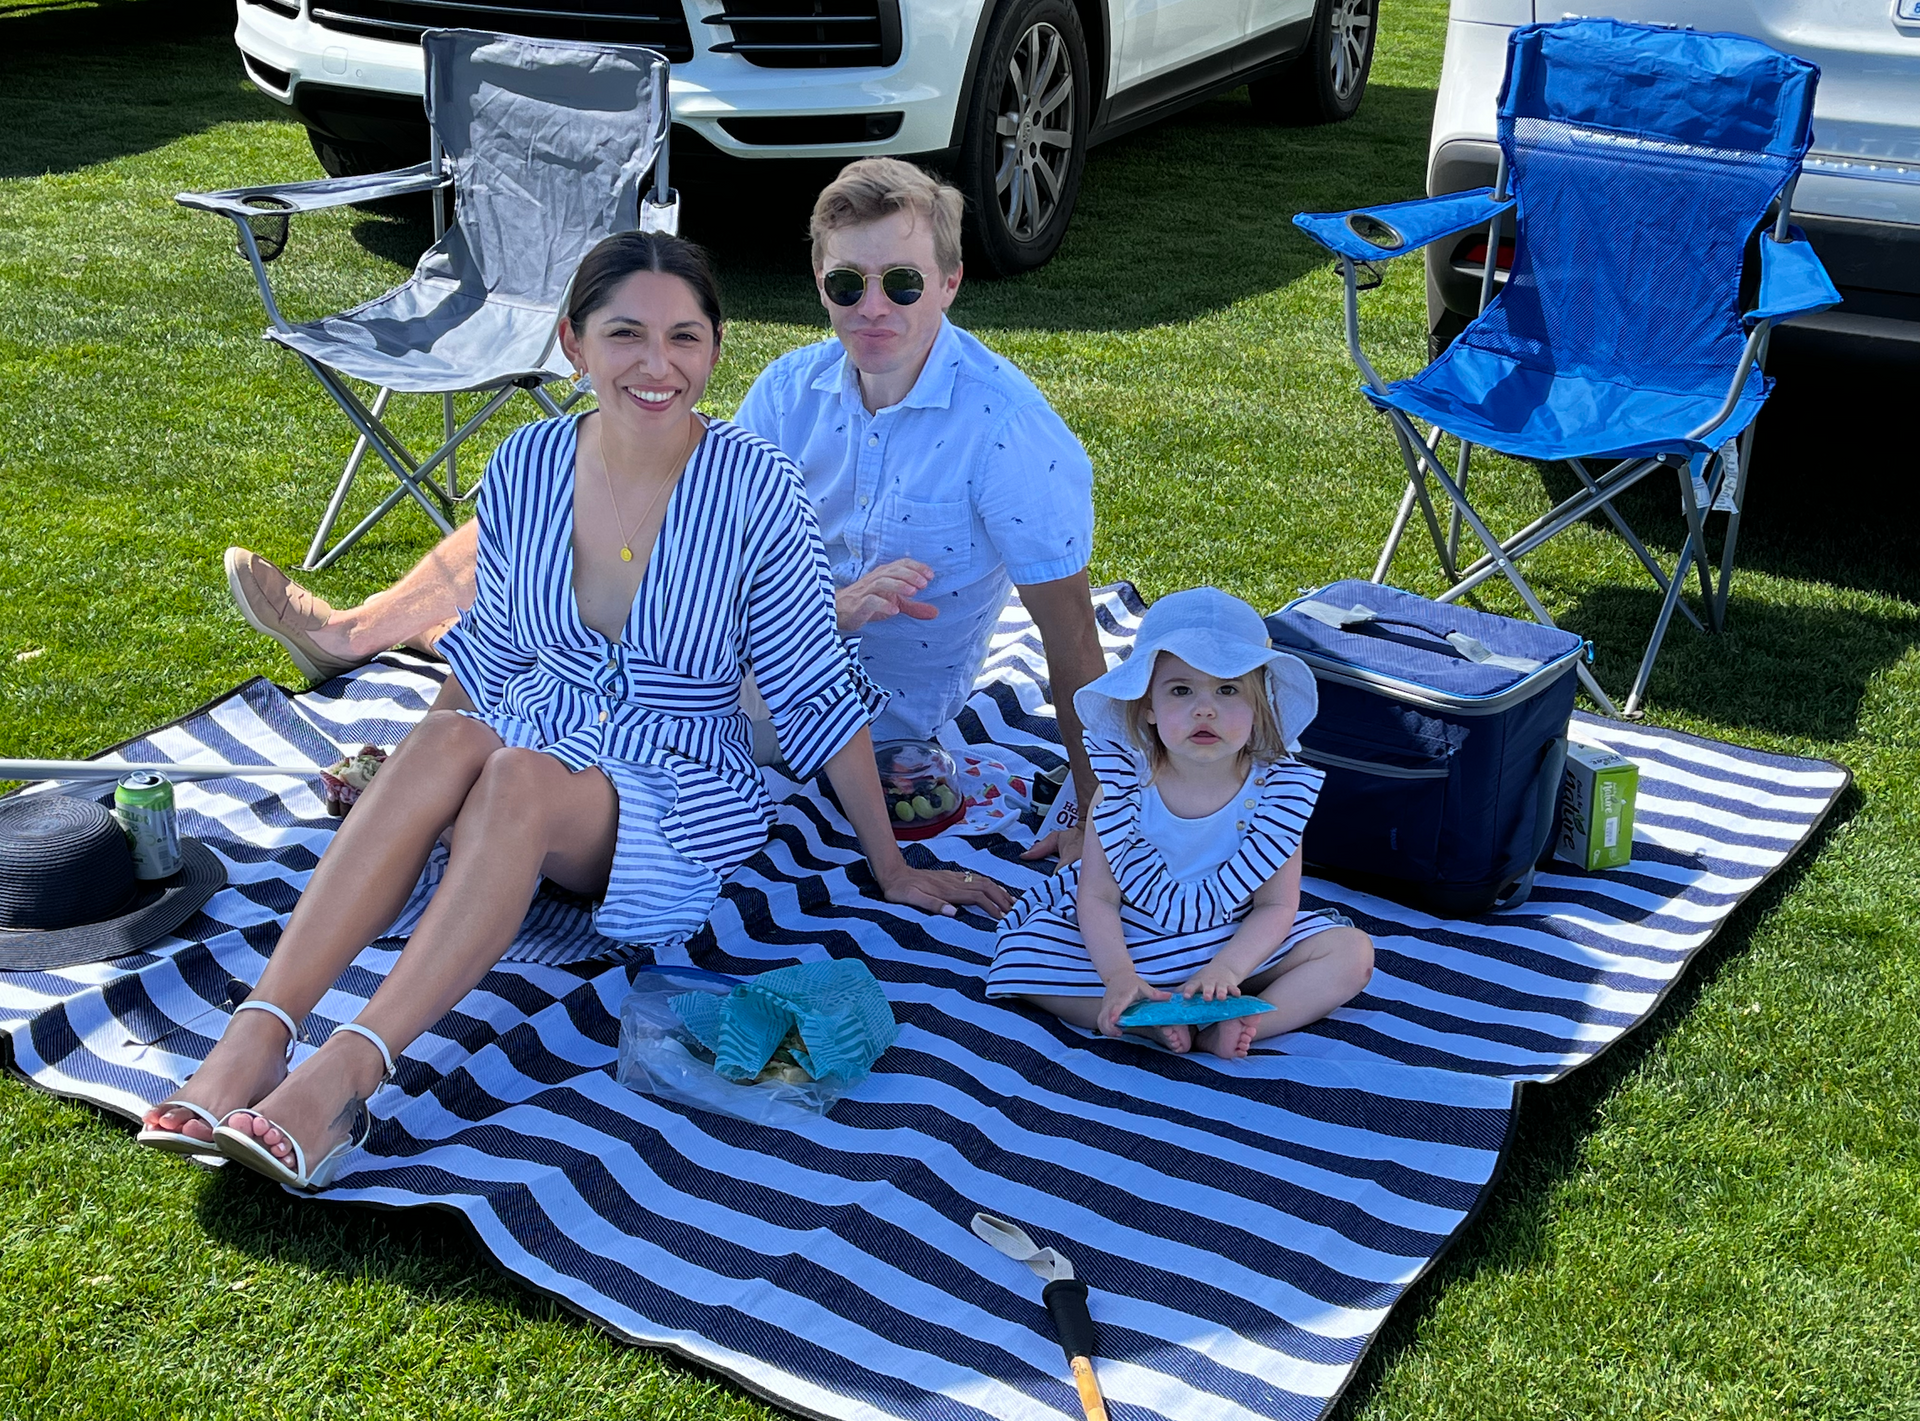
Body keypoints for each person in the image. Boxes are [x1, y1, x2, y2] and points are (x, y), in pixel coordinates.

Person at [138, 233, 1010, 1188]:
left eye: (685, 337)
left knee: (512, 770)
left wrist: (889, 862)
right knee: (451, 736)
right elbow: (492, 656)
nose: (657, 364)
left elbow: (809, 682)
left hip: (671, 783)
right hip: (535, 730)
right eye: (625, 334)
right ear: (573, 344)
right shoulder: (528, 464)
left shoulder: (757, 486)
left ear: (715, 351)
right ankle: (258, 1036)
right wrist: (421, 779)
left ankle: (349, 1073)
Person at [225, 159, 1108, 861]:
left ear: (951, 281)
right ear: (818, 279)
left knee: (570, 658)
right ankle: (361, 633)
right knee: (575, 479)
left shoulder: (1008, 434)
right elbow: (682, 516)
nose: (873, 309)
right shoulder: (790, 388)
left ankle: (464, 791)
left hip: (850, 712)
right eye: (849, 286)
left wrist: (1096, 814)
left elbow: (1072, 644)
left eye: (903, 285)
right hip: (733, 648)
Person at [986, 588, 1374, 1060]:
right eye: (1181, 690)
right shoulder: (1124, 787)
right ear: (1147, 704)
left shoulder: (1275, 796)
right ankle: (1136, 1015)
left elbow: (1275, 906)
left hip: (1234, 941)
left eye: (1227, 689)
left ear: (1259, 706)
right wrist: (1118, 976)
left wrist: (1228, 970)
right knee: (1024, 955)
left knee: (1351, 953)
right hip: (1129, 939)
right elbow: (1098, 897)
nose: (1203, 708)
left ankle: (1241, 1021)